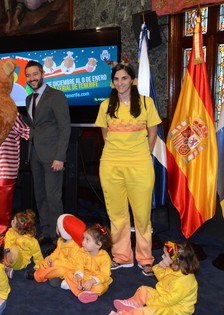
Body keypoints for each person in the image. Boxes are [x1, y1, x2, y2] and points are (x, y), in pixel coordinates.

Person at [94, 63, 161, 276]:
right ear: (112, 83)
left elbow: (153, 133)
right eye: (116, 79)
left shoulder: (145, 103)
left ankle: (145, 258)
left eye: (124, 78)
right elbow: (105, 136)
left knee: (142, 215)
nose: (120, 83)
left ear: (132, 80)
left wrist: (143, 155)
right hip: (111, 165)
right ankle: (121, 256)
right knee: (117, 214)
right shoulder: (105, 105)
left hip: (140, 164)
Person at [22, 60, 71, 245]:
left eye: (35, 74)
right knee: (40, 195)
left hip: (53, 156)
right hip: (34, 154)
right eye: (28, 76)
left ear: (43, 74)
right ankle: (48, 232)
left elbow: (65, 128)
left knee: (53, 197)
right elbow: (35, 125)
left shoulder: (56, 96)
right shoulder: (28, 98)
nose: (32, 78)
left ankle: (60, 236)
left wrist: (60, 157)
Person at [109, 241, 199, 315]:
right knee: (143, 290)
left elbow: (169, 301)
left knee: (149, 311)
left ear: (176, 262)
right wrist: (160, 267)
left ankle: (125, 314)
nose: (162, 256)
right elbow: (162, 279)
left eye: (165, 256)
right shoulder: (175, 268)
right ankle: (131, 305)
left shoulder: (184, 282)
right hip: (163, 297)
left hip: (176, 310)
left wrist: (150, 303)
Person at [27, 214, 86, 285]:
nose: (56, 227)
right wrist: (51, 258)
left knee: (60, 271)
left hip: (68, 269)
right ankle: (52, 276)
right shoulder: (61, 240)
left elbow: (73, 265)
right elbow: (56, 252)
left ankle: (37, 275)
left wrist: (56, 263)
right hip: (57, 263)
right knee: (45, 261)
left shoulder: (76, 247)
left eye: (57, 226)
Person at [61, 224, 113, 304]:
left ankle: (78, 290)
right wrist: (79, 279)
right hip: (85, 275)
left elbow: (105, 275)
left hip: (97, 280)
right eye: (83, 238)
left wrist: (92, 281)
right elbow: (79, 266)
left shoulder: (105, 257)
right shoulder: (82, 251)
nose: (83, 242)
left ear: (98, 245)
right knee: (68, 274)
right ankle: (82, 291)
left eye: (87, 240)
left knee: (101, 287)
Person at [3, 209, 44, 279]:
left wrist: (38, 266)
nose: (11, 221)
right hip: (6, 254)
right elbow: (6, 243)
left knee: (14, 250)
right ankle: (3, 266)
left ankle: (5, 267)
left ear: (19, 229)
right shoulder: (10, 232)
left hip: (20, 262)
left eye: (13, 222)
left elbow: (37, 255)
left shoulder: (31, 241)